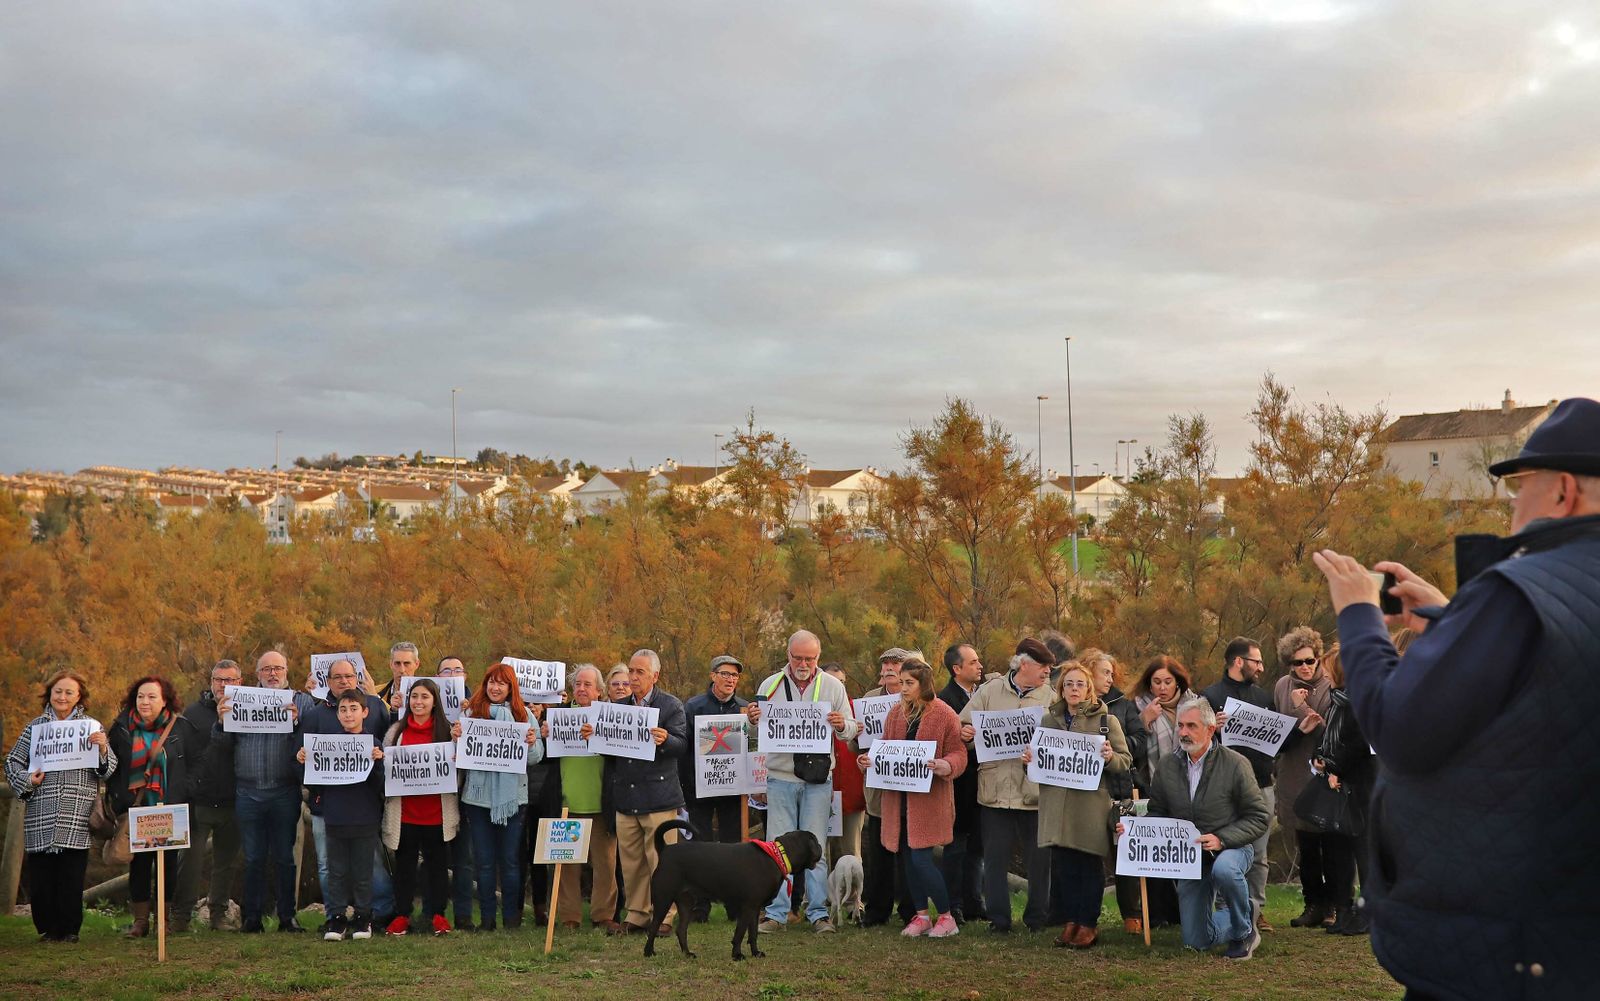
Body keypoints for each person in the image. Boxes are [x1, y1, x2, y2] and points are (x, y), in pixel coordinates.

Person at [1311, 396, 1600, 1000]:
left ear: (1563, 491)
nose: (1511, 501)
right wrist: (1453, 619)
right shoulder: (1550, 593)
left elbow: (1398, 729)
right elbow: (1557, 676)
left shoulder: (1518, 590)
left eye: (1521, 483)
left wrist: (1361, 614)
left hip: (1503, 943)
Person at [1127, 699, 1269, 960]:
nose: (1183, 732)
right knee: (1196, 941)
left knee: (1225, 869)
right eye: (1180, 725)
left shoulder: (1236, 764)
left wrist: (1222, 839)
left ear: (1210, 729)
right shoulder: (1168, 765)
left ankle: (1243, 933)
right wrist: (1134, 830)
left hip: (1232, 848)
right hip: (1190, 857)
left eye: (1191, 726)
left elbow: (1259, 816)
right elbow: (1158, 812)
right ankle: (1245, 912)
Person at [750, 630, 861, 935]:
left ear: (818, 657)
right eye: (797, 657)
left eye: (809, 658)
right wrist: (752, 719)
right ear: (787, 655)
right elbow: (759, 732)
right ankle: (775, 912)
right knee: (776, 849)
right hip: (780, 777)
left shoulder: (832, 686)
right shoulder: (769, 685)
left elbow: (851, 729)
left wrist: (842, 725)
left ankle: (818, 912)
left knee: (816, 848)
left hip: (817, 779)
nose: (803, 663)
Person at [1024, 661, 1132, 949]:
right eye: (1069, 684)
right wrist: (1030, 762)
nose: (1074, 689)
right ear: (1061, 689)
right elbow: (1040, 765)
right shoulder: (1048, 720)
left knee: (1088, 864)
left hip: (1089, 806)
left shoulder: (1106, 722)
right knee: (1064, 866)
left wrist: (1110, 757)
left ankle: (1088, 923)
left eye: (1080, 684)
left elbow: (1125, 762)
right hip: (1056, 805)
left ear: (1089, 689)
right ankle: (1071, 921)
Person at [5, 670, 117, 943]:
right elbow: (12, 763)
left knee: (71, 874)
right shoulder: (35, 728)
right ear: (50, 694)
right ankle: (46, 929)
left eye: (69, 692)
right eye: (58, 691)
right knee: (43, 874)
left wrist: (103, 749)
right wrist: (28, 779)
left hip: (77, 811)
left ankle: (69, 930)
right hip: (42, 808)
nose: (63, 697)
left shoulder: (92, 727)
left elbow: (109, 770)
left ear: (79, 696)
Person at [858, 660, 967, 939]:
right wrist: (869, 761)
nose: (903, 688)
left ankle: (946, 916)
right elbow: (884, 748)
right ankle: (921, 916)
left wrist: (946, 765)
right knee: (907, 860)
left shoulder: (945, 714)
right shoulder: (895, 714)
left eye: (909, 683)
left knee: (921, 860)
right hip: (899, 800)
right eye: (901, 682)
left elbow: (959, 753)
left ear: (923, 684)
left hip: (928, 802)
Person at [582, 648, 687, 935]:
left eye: (640, 671)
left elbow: (682, 745)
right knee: (631, 863)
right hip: (626, 797)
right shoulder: (618, 708)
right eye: (631, 670)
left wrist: (666, 739)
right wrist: (595, 737)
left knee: (661, 861)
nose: (633, 676)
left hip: (659, 797)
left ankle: (664, 916)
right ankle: (638, 914)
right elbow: (611, 752)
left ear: (655, 675)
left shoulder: (671, 706)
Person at [957, 637, 1056, 934]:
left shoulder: (1051, 698)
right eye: (1043, 666)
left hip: (1034, 795)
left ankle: (1037, 919)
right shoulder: (989, 691)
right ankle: (999, 920)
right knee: (995, 860)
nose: (1048, 672)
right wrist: (967, 733)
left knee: (1040, 862)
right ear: (1024, 665)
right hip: (994, 793)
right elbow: (962, 726)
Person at [211, 650, 312, 933]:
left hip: (284, 791)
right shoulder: (239, 700)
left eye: (278, 668)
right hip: (248, 792)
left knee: (284, 857)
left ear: (287, 670)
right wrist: (220, 723)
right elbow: (220, 746)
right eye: (266, 669)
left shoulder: (301, 702)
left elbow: (316, 737)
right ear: (257, 674)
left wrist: (296, 724)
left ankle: (287, 917)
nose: (272, 674)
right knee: (253, 857)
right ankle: (251, 918)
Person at [451, 662, 544, 932]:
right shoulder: (471, 714)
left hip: (513, 800)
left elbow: (537, 758)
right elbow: (461, 757)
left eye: (501, 683)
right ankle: (488, 919)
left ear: (510, 687)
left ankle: (512, 919)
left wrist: (530, 742)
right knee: (484, 861)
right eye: (491, 681)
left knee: (510, 862)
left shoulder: (524, 715)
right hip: (478, 800)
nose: (495, 687)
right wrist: (456, 737)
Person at [107, 675, 200, 938]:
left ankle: (163, 920)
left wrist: (186, 789)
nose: (145, 702)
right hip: (136, 808)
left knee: (167, 864)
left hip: (171, 806)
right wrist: (118, 797)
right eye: (140, 696)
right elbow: (112, 767)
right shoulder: (121, 728)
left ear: (164, 700)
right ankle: (140, 922)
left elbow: (198, 761)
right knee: (138, 865)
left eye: (151, 697)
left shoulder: (181, 727)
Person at [302, 658, 392, 924]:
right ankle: (335, 915)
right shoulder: (315, 714)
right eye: (337, 677)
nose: (343, 681)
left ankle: (378, 913)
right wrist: (311, 783)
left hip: (364, 810)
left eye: (348, 676)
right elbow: (304, 764)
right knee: (331, 866)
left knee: (369, 865)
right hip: (328, 809)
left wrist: (378, 761)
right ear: (328, 682)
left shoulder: (375, 706)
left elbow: (388, 750)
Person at [1200, 636, 1277, 933]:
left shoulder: (1264, 697)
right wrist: (1212, 729)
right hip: (1223, 787)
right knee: (1223, 850)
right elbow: (1194, 742)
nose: (1261, 667)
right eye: (1256, 661)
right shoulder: (1209, 696)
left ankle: (1256, 910)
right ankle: (1226, 909)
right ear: (1238, 662)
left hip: (1260, 785)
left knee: (1259, 854)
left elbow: (1276, 742)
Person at [541, 664, 620, 932]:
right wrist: (544, 738)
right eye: (578, 684)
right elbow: (543, 759)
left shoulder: (610, 718)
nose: (582, 689)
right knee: (566, 866)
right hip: (566, 803)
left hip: (601, 804)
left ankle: (603, 915)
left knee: (606, 866)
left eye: (588, 685)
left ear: (599, 691)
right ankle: (569, 917)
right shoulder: (558, 716)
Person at [1080, 647, 1148, 935]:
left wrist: (1112, 747)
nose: (1110, 678)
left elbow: (1140, 740)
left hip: (1122, 788)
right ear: (1088, 672)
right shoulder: (1074, 705)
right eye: (1104, 672)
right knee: (1091, 857)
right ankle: (1085, 918)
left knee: (1126, 854)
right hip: (1089, 792)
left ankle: (1132, 915)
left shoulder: (1123, 703)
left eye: (1112, 673)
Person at [1270, 626, 1335, 929]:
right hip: (1293, 773)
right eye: (1298, 663)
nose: (1305, 667)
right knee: (1305, 844)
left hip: (1323, 775)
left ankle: (1334, 904)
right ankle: (1313, 904)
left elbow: (1324, 728)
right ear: (1289, 664)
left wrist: (1300, 707)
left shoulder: (1330, 685)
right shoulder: (1282, 685)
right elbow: (1278, 729)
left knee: (1330, 845)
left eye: (1310, 660)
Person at [382, 678, 458, 936]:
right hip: (406, 814)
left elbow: (458, 774)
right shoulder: (395, 733)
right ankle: (402, 915)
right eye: (414, 697)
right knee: (404, 868)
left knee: (437, 867)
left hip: (437, 813)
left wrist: (457, 759)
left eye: (424, 697)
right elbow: (386, 771)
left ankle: (437, 915)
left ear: (434, 700)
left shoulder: (448, 732)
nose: (419, 702)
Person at [174, 658, 244, 932]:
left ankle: (218, 914)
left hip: (234, 798)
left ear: (240, 682)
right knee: (189, 862)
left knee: (225, 863)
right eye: (219, 680)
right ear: (211, 682)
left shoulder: (250, 710)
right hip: (199, 800)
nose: (224, 685)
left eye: (230, 680)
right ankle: (180, 916)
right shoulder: (194, 713)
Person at [1312, 644, 1372, 936]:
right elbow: (1329, 737)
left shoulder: (1359, 702)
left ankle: (1368, 913)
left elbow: (1359, 743)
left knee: (1364, 851)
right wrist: (1321, 758)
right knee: (1340, 852)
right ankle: (1345, 911)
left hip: (1361, 786)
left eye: (1325, 667)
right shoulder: (1336, 701)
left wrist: (1335, 766)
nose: (1322, 672)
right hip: (1340, 786)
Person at [1129, 654, 1192, 929]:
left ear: (1178, 682)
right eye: (1156, 682)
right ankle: (1156, 913)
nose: (1162, 687)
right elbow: (1132, 749)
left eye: (1168, 681)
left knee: (1184, 848)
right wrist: (1144, 721)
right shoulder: (1138, 705)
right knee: (1155, 849)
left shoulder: (1194, 704)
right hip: (1152, 786)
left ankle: (1185, 911)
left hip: (1189, 785)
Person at [680, 654, 750, 883]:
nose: (731, 679)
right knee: (700, 846)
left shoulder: (744, 709)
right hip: (698, 792)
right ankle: (700, 904)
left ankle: (732, 901)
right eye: (725, 674)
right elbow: (684, 748)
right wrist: (687, 785)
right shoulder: (693, 706)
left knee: (733, 847)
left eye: (735, 675)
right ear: (713, 676)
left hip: (732, 792)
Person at [858, 649, 915, 927]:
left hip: (908, 787)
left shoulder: (917, 698)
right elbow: (856, 745)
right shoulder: (869, 700)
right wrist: (855, 742)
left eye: (895, 663)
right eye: (886, 664)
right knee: (879, 851)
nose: (890, 668)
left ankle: (910, 909)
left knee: (908, 849)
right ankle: (877, 909)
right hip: (878, 789)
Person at [937, 643, 985, 925]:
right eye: (973, 662)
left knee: (978, 847)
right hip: (958, 785)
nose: (980, 666)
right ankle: (952, 904)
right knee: (955, 847)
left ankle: (974, 902)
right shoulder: (945, 700)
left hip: (980, 781)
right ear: (957, 669)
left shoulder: (983, 694)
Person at [435, 656, 478, 930]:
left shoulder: (479, 706)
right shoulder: (424, 704)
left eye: (458, 670)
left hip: (465, 793)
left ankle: (463, 916)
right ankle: (436, 914)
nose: (452, 674)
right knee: (437, 859)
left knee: (464, 860)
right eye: (446, 671)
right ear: (437, 677)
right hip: (434, 794)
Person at [822, 663, 866, 863]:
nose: (838, 686)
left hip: (852, 794)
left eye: (842, 683)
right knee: (820, 852)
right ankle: (821, 894)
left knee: (852, 853)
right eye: (833, 682)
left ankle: (853, 895)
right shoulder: (808, 713)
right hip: (820, 793)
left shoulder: (858, 712)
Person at [379, 641, 422, 714]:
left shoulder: (429, 694)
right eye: (397, 663)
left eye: (407, 663)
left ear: (417, 664)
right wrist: (391, 710)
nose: (402, 670)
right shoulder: (376, 692)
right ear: (391, 664)